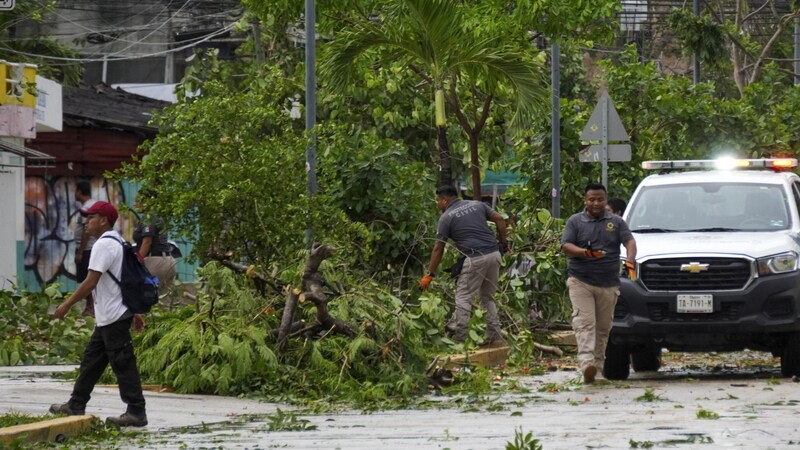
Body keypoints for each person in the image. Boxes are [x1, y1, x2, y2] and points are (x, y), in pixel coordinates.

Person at [50, 201, 148, 427]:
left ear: (103, 220)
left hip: (113, 316)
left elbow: (90, 281)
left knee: (124, 365)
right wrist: (133, 312)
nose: (86, 222)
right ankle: (75, 403)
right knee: (91, 362)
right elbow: (125, 281)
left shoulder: (103, 245)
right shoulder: (119, 241)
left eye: (91, 217)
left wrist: (66, 304)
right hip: (111, 316)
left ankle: (136, 412)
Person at [562, 183, 637, 384]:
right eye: (592, 199)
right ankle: (587, 364)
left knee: (603, 328)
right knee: (585, 323)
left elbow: (629, 242)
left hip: (609, 283)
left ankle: (598, 369)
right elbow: (566, 246)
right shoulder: (575, 222)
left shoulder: (616, 223)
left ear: (605, 200)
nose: (596, 203)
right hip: (580, 281)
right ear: (584, 201)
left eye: (600, 199)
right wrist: (585, 253)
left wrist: (630, 260)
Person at [419, 185, 510, 346]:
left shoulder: (446, 217)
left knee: (463, 297)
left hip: (475, 258)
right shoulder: (477, 204)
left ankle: (460, 339)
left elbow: (438, 248)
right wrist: (504, 244)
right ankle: (495, 337)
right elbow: (500, 219)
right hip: (494, 254)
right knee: (488, 297)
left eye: (438, 200)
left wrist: (429, 274)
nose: (437, 204)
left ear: (444, 200)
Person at [133, 189, 176, 299]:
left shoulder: (149, 217)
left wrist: (137, 262)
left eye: (138, 200)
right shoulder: (158, 215)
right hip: (168, 260)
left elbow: (147, 242)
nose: (134, 204)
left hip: (155, 262)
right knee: (163, 301)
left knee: (146, 298)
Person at [74, 180, 97, 317]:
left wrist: (81, 252)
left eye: (75, 190)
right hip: (87, 248)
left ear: (80, 191)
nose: (74, 193)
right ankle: (90, 306)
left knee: (86, 278)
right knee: (85, 277)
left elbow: (86, 231)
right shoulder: (89, 205)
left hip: (87, 249)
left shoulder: (87, 208)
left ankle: (90, 307)